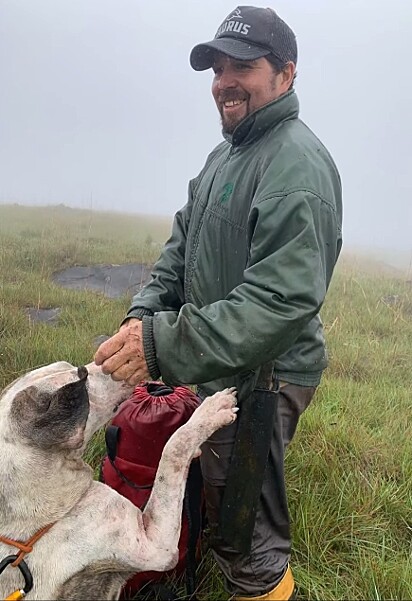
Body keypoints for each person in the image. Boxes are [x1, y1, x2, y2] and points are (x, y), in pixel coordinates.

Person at [95, 5, 342, 600]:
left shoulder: (295, 165)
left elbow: (280, 301)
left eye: (243, 67)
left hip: (264, 375)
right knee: (210, 480)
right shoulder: (224, 157)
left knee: (245, 526)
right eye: (217, 68)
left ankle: (257, 585)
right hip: (216, 360)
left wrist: (162, 344)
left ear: (286, 74)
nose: (224, 82)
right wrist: (141, 316)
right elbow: (178, 252)